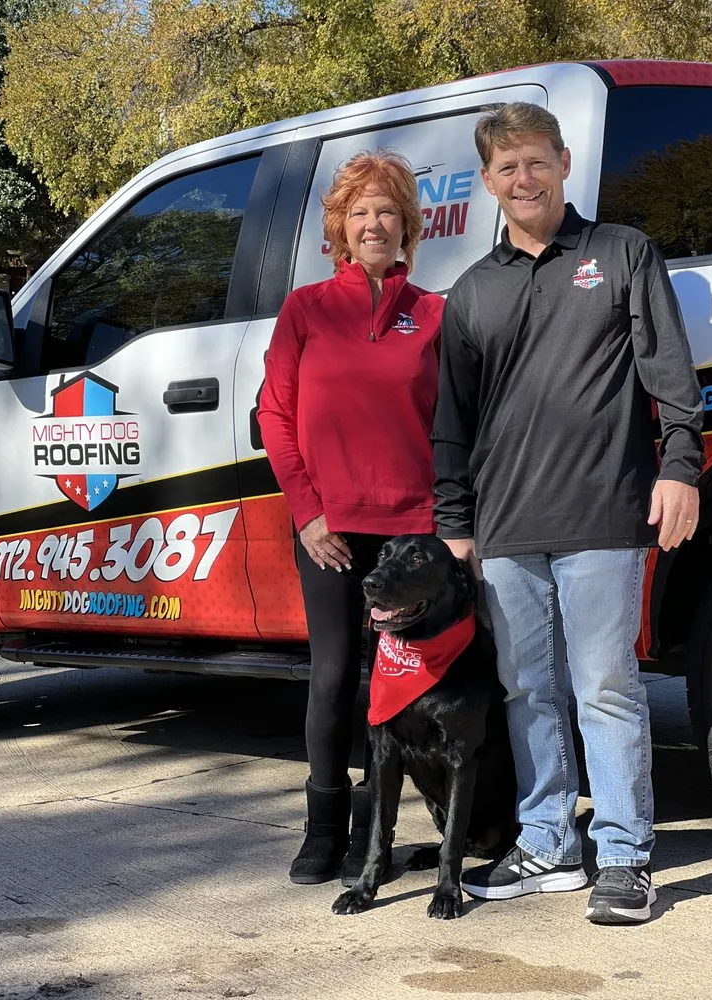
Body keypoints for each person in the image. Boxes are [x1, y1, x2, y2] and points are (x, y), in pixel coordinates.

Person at [432, 103, 704, 925]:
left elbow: (669, 370)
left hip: (602, 516)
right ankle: (548, 841)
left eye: (536, 161)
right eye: (507, 167)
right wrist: (456, 522)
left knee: (607, 688)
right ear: (488, 182)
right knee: (527, 691)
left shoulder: (621, 253)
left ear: (563, 161)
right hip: (508, 526)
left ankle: (623, 855)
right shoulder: (472, 291)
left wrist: (682, 467)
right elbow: (453, 419)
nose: (524, 178)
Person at [258, 151, 444, 885]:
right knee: (334, 676)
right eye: (360, 212)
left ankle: (378, 828)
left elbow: (450, 425)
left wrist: (443, 526)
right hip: (328, 531)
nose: (373, 224)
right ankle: (321, 826)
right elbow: (276, 417)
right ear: (340, 227)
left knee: (395, 683)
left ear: (406, 229)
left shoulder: (432, 314)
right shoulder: (305, 309)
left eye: (387, 212)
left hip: (410, 532)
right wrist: (308, 515)